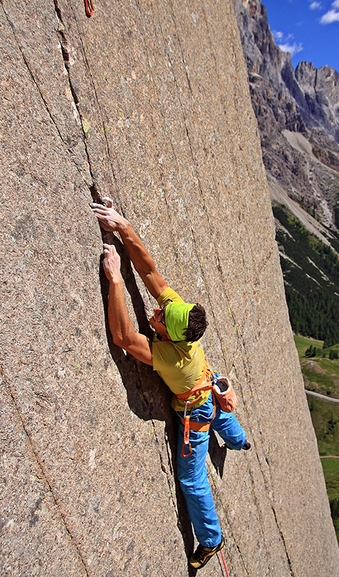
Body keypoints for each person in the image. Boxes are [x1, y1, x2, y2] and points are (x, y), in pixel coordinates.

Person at [91, 198, 250, 570]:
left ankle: (211, 539)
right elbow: (150, 273)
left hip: (194, 409)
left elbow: (124, 337)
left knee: (192, 481)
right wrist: (123, 226)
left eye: (160, 319)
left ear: (175, 337)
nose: (157, 313)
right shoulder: (183, 314)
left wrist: (114, 279)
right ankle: (240, 440)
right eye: (163, 310)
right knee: (219, 412)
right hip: (206, 387)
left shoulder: (173, 358)